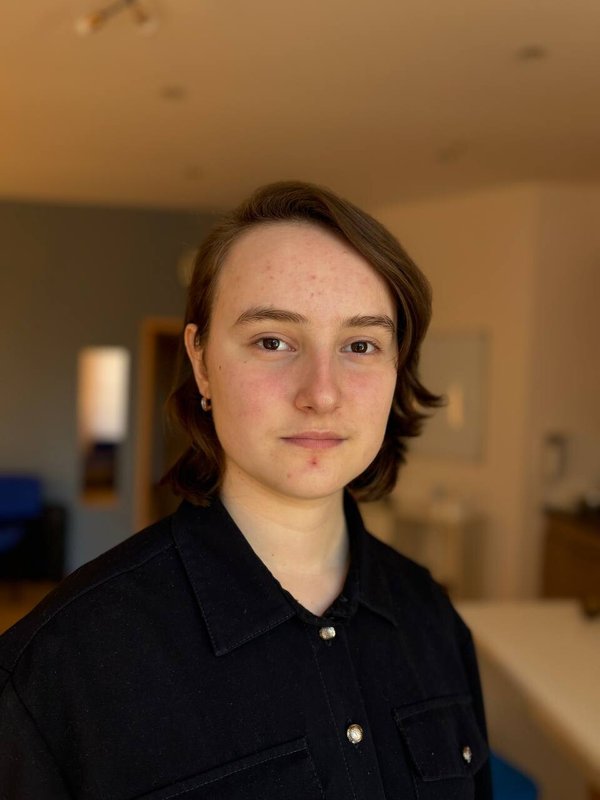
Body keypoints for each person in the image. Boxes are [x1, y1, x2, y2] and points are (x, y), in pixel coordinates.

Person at [0, 181, 492, 799]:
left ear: (397, 367)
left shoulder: (433, 619)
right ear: (201, 361)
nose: (322, 393)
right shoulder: (59, 667)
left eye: (360, 345)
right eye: (272, 341)